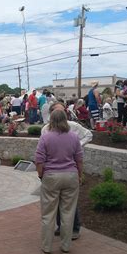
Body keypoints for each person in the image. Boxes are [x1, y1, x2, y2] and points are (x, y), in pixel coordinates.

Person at [41, 102, 92, 240]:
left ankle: (74, 229)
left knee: (69, 203)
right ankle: (61, 228)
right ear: (52, 114)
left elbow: (88, 135)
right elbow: (42, 153)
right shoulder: (45, 130)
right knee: (56, 201)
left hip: (69, 167)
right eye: (58, 111)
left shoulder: (73, 127)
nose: (62, 114)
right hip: (55, 170)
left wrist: (77, 147)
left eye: (63, 111)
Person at [36, 110, 83, 254]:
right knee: (68, 212)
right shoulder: (74, 137)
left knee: (48, 214)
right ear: (65, 119)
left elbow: (39, 160)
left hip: (51, 176)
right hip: (71, 176)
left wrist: (41, 175)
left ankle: (47, 247)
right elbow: (79, 159)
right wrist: (80, 176)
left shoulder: (45, 137)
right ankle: (66, 245)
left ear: (51, 120)